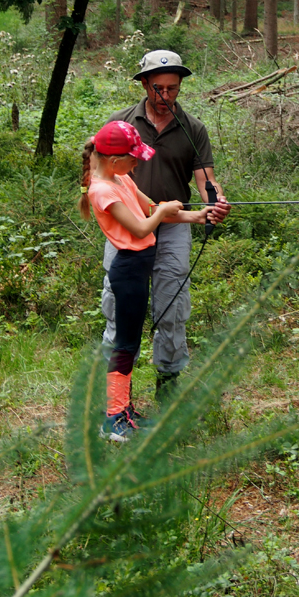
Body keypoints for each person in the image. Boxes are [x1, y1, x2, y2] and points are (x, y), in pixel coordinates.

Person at [80, 121, 226, 440]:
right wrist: (164, 212)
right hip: (128, 270)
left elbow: (153, 207)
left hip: (138, 268)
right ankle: (114, 418)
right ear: (114, 159)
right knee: (125, 344)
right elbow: (143, 227)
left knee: (130, 342)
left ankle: (123, 412)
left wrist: (197, 215)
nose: (138, 163)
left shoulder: (121, 178)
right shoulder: (102, 190)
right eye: (134, 158)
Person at [101, 49, 231, 395]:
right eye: (158, 88)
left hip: (174, 225)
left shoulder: (193, 129)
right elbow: (101, 174)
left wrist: (215, 203)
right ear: (144, 84)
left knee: (172, 304)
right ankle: (115, 389)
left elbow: (207, 180)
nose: (165, 96)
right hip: (128, 225)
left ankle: (168, 381)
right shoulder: (121, 124)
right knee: (118, 304)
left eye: (172, 89)